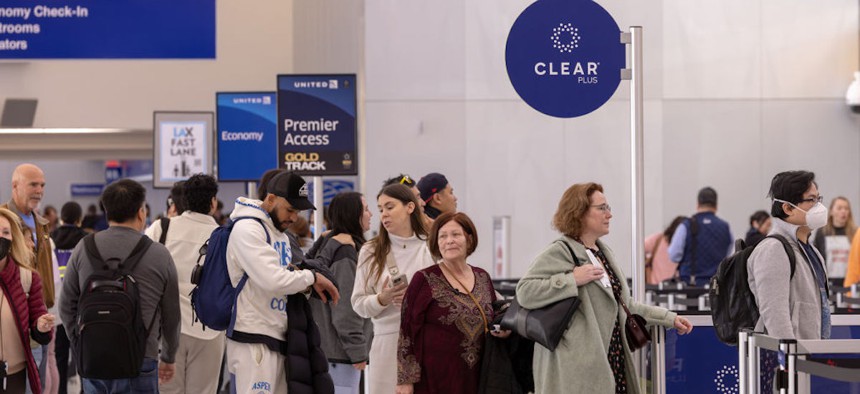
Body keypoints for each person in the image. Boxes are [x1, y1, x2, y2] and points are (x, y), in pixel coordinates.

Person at [516, 183, 693, 394]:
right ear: (579, 212)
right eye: (602, 208)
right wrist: (571, 280)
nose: (609, 214)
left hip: (609, 361)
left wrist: (668, 318)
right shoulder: (560, 251)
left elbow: (624, 304)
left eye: (608, 207)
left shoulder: (603, 252)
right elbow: (525, 292)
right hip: (574, 368)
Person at [60, 179, 181, 392]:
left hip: (94, 357)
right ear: (141, 212)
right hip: (142, 358)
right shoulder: (159, 254)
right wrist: (169, 357)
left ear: (107, 212)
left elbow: (65, 305)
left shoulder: (83, 248)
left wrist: (80, 343)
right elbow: (171, 315)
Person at [225, 171, 340, 394]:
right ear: (270, 199)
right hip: (253, 337)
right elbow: (273, 279)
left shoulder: (279, 234)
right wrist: (311, 277)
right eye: (290, 209)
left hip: (277, 334)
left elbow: (283, 277)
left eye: (297, 211)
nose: (295, 218)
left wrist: (305, 284)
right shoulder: (247, 229)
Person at [396, 212, 507, 394]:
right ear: (436, 243)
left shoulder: (482, 277)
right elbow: (407, 332)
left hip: (479, 376)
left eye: (456, 234)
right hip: (435, 378)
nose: (449, 241)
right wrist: (405, 380)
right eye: (443, 236)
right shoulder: (424, 279)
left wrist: (502, 329)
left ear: (469, 239)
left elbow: (492, 317)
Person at [144, 174, 223, 394]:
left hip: (166, 328)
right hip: (210, 329)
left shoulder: (163, 228)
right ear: (213, 202)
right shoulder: (223, 235)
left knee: (168, 390)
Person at [352, 184, 435, 394]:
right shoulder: (371, 251)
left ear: (410, 207)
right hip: (386, 344)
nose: (384, 214)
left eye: (390, 207)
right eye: (380, 209)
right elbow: (358, 304)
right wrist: (382, 298)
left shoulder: (431, 247)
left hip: (428, 342)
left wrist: (419, 299)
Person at [748, 171, 831, 340]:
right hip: (792, 359)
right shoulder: (773, 249)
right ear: (787, 208)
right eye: (811, 200)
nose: (818, 206)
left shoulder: (811, 250)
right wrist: (789, 358)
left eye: (819, 199)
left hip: (813, 354)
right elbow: (774, 312)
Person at [307, 192, 373, 394]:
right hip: (340, 356)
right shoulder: (345, 253)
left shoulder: (331, 247)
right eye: (366, 209)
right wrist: (357, 351)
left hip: (329, 352)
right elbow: (345, 309)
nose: (371, 214)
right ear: (354, 215)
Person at [1, 164, 59, 394]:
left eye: (42, 185)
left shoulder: (41, 224)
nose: (39, 190)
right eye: (33, 184)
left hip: (38, 314)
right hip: (14, 318)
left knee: (39, 383)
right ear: (15, 186)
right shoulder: (4, 220)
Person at [50, 202, 87, 394]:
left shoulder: (51, 238)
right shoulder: (87, 240)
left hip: (57, 307)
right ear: (79, 220)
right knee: (82, 357)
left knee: (59, 359)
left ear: (61, 218)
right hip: (81, 309)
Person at [667, 186, 732, 286]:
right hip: (716, 287)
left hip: (691, 286)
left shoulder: (686, 225)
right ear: (716, 206)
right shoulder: (725, 227)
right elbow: (728, 256)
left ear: (697, 204)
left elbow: (674, 255)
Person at [812, 197, 857, 279]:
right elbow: (816, 258)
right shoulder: (822, 232)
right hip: (829, 282)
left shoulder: (855, 233)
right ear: (832, 211)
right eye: (839, 208)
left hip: (851, 283)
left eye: (846, 208)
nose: (843, 211)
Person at [644, 216, 686, 285]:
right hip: (676, 288)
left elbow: (640, 248)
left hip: (654, 286)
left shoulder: (659, 239)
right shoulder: (658, 239)